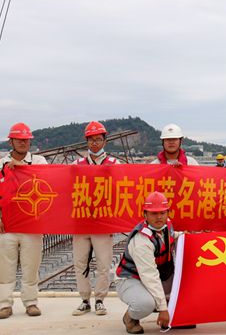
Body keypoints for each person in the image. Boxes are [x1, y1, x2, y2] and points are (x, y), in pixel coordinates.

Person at [0, 123, 47, 319]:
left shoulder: (39, 161)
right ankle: (4, 304)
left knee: (31, 266)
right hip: (7, 225)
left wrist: (23, 168)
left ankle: (31, 302)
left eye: (26, 139)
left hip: (32, 224)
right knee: (3, 267)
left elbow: (50, 178)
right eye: (19, 139)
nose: (23, 143)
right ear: (10, 142)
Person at [115, 192, 187, 333]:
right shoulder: (141, 241)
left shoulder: (166, 227)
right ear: (145, 215)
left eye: (162, 213)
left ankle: (171, 314)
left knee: (187, 284)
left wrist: (185, 238)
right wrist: (163, 308)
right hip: (131, 279)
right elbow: (150, 276)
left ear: (168, 213)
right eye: (154, 213)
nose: (159, 217)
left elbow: (171, 239)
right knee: (145, 304)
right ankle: (130, 317)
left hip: (158, 276)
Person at [72, 122, 116, 317]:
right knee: (80, 263)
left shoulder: (114, 164)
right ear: (86, 142)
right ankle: (84, 300)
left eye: (98, 139)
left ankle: (99, 300)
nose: (95, 143)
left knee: (103, 263)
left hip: (103, 223)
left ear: (105, 141)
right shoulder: (77, 165)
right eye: (91, 140)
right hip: (81, 223)